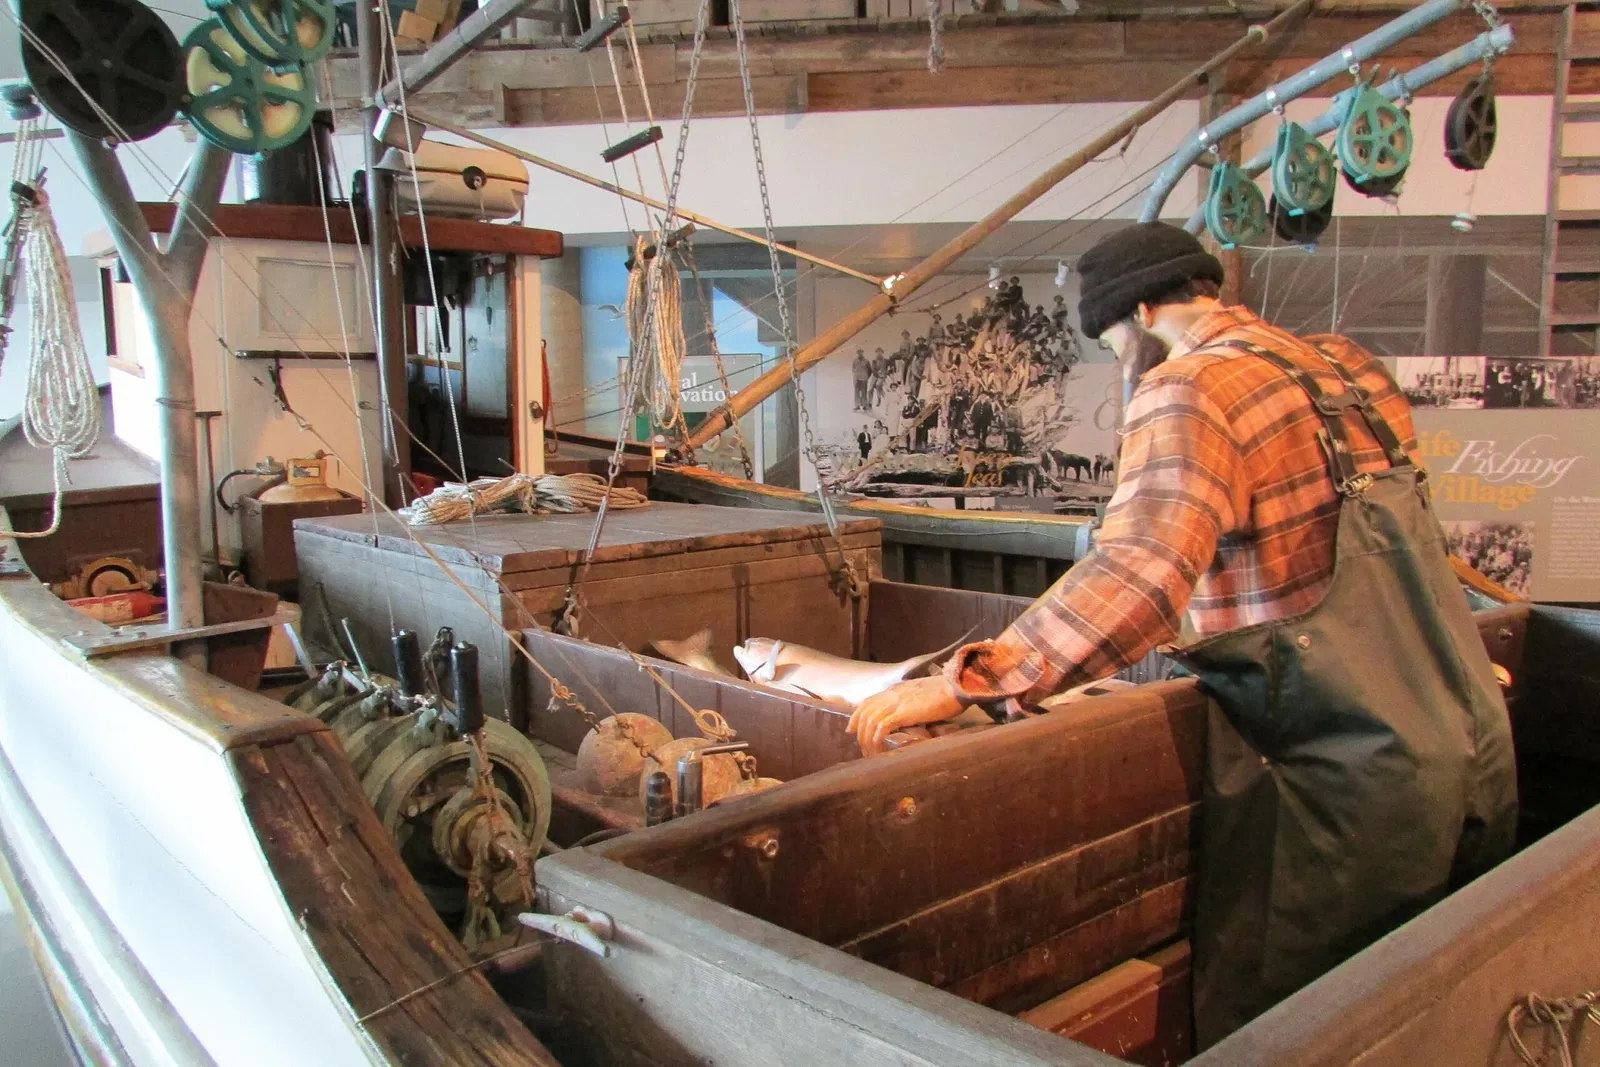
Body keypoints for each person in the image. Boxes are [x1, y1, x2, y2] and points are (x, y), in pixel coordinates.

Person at [847, 221, 1517, 1047]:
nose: (1119, 360)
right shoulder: (1347, 367)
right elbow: (1408, 557)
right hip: (1472, 740)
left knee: (1307, 1035)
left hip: (1351, 780)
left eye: (1112, 340)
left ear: (1139, 314)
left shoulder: (1191, 389)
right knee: (1437, 1020)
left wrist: (965, 681)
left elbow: (1143, 570)